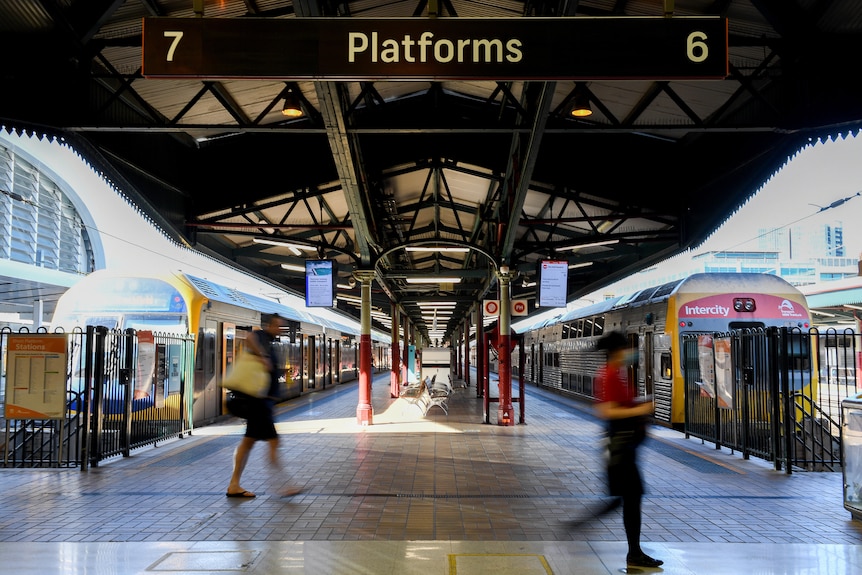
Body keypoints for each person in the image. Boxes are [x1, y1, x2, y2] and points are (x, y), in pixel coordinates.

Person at [594, 331, 663, 569]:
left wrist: (640, 403)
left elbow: (621, 404)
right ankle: (634, 552)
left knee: (631, 497)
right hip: (619, 445)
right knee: (631, 497)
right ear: (617, 351)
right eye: (626, 349)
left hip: (625, 446)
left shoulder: (618, 373)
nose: (629, 353)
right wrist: (641, 409)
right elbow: (607, 411)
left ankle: (635, 551)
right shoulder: (609, 374)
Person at [226, 313, 302, 498]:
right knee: (273, 442)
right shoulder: (261, 336)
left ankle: (234, 484)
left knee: (249, 442)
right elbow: (250, 338)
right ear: (268, 325)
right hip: (257, 402)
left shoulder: (270, 342)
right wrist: (263, 357)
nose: (279, 329)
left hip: (261, 402)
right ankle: (283, 485)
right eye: (277, 326)